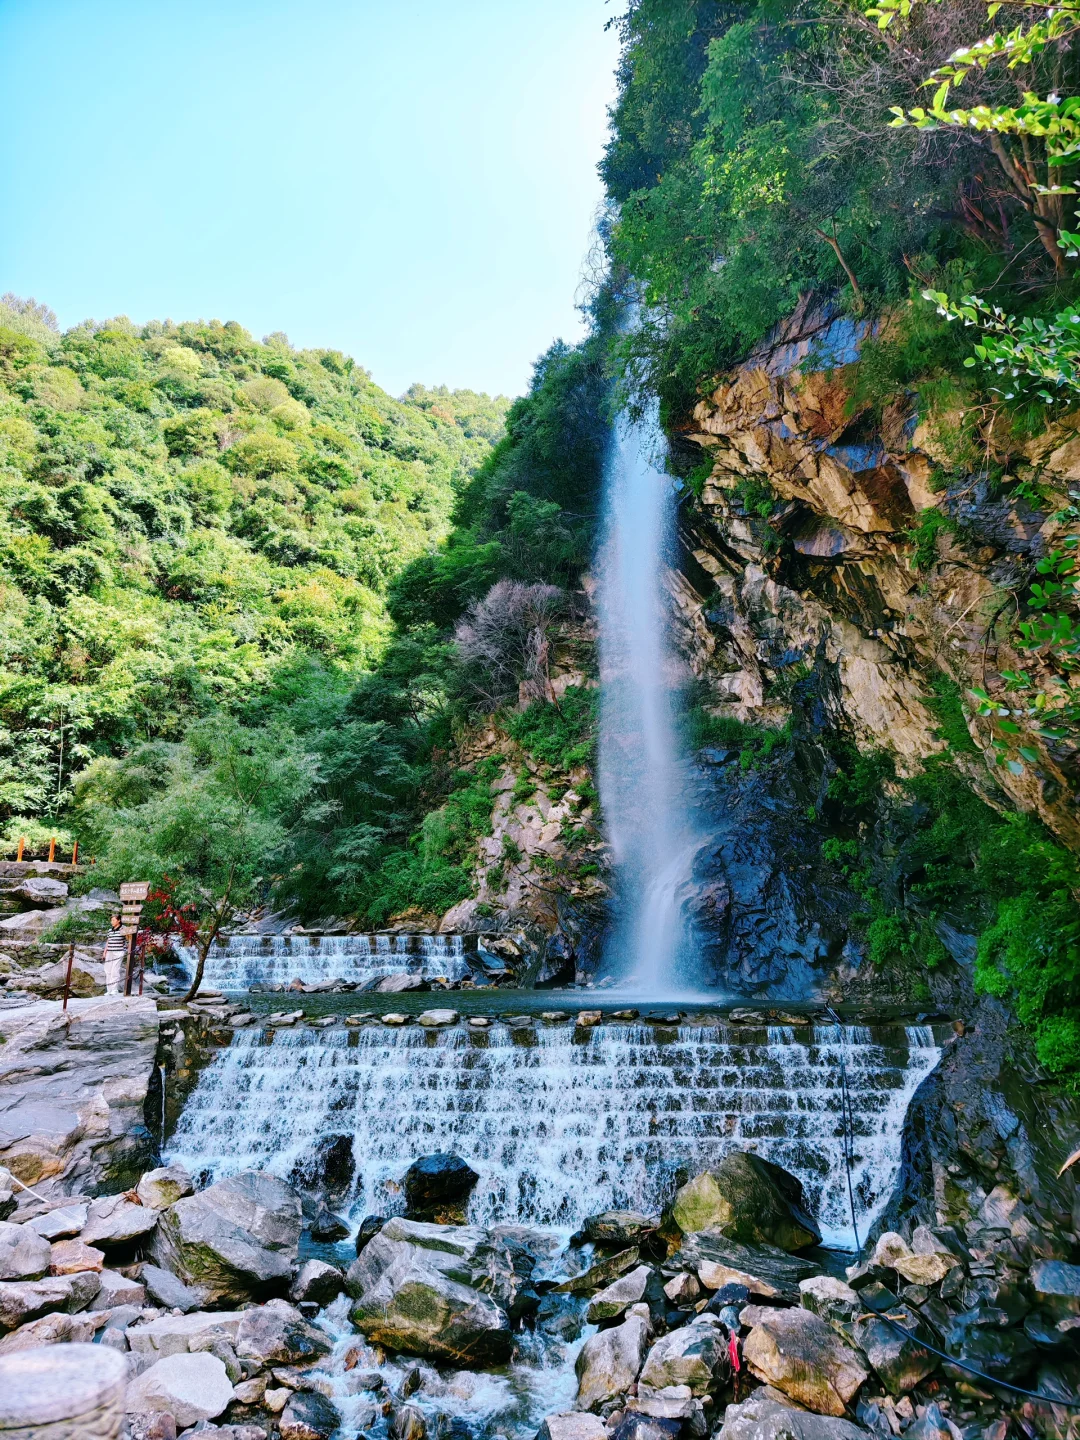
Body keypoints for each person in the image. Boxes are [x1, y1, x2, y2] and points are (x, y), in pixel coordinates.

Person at [102, 913, 127, 995]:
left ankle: (114, 989)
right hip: (110, 951)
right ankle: (109, 990)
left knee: (115, 970)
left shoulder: (123, 929)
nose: (111, 922)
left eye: (113, 920)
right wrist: (105, 952)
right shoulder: (110, 930)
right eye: (111, 920)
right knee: (107, 970)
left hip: (118, 951)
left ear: (119, 920)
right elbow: (108, 942)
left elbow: (129, 939)